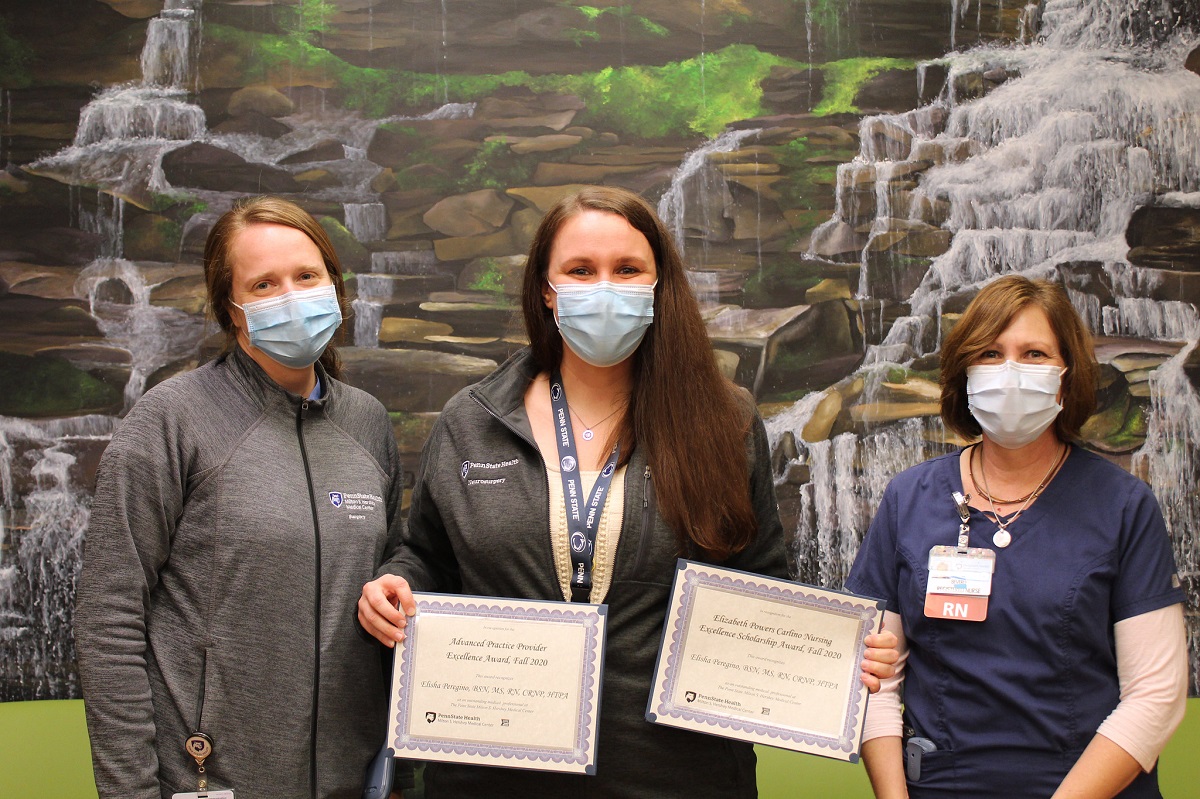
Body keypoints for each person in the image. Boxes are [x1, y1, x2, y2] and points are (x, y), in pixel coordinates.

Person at [357, 185, 898, 797]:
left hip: (675, 776)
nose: (604, 287)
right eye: (580, 270)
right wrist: (395, 585)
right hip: (493, 772)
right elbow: (426, 555)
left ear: (657, 285)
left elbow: (761, 586)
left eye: (627, 269)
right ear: (545, 287)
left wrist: (836, 657)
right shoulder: (471, 418)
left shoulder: (723, 420)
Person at [75, 196, 404, 799]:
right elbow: (108, 617)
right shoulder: (171, 422)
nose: (291, 296)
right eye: (263, 283)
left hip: (352, 782)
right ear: (233, 309)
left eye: (306, 276)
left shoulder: (367, 424)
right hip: (206, 778)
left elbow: (394, 569)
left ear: (336, 284)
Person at [846, 275, 1189, 798]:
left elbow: (1156, 696)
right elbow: (876, 679)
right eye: (989, 353)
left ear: (1066, 376)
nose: (1010, 373)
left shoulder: (1122, 506)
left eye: (1033, 354)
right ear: (963, 373)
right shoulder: (908, 499)